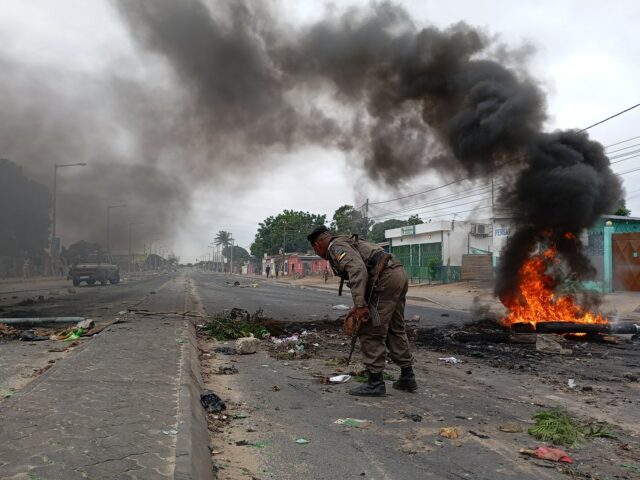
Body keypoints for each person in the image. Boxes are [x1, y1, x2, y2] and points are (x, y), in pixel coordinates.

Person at [307, 225, 417, 396]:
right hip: (397, 273)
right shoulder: (346, 241)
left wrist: (360, 306)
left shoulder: (335, 247)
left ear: (317, 245)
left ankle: (375, 383)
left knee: (370, 328)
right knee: (395, 328)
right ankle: (407, 377)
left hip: (385, 278)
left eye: (315, 250)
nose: (317, 253)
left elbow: (357, 270)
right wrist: (360, 303)